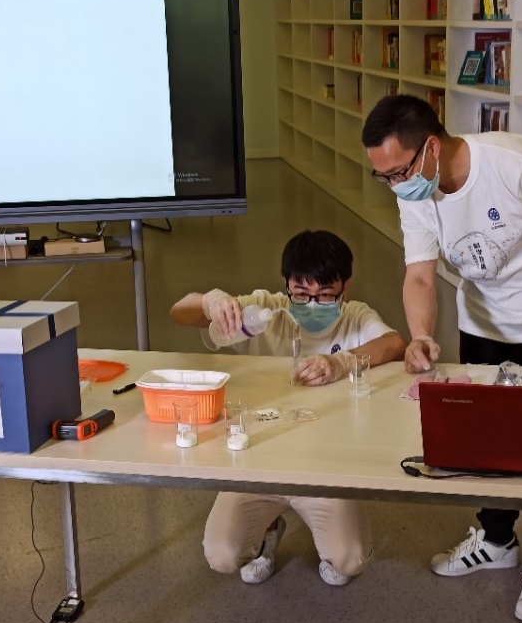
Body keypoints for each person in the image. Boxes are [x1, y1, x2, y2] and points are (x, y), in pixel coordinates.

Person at [361, 94, 522, 623]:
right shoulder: (414, 190)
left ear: (431, 148)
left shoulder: (515, 164)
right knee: (484, 439)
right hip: (480, 322)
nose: (394, 185)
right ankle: (497, 539)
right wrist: (421, 335)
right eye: (383, 177)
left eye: (398, 172)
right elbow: (420, 274)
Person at [169, 229, 407, 586]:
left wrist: (341, 361)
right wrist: (212, 302)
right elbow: (179, 312)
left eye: (325, 295)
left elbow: (394, 343)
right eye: (301, 294)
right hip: (258, 463)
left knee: (348, 558)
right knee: (222, 553)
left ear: (345, 288)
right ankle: (268, 527)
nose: (312, 305)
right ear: (286, 285)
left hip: (327, 468)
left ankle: (331, 534)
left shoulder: (354, 317)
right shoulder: (264, 310)